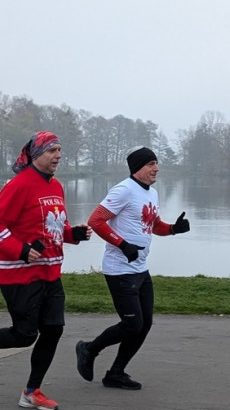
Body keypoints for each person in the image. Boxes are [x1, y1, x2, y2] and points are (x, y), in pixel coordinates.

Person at [0, 131, 91, 410]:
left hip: (51, 274)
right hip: (20, 275)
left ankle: (32, 391)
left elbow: (51, 228)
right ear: (36, 154)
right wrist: (19, 249)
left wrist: (73, 233)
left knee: (53, 329)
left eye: (60, 150)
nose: (58, 156)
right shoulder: (19, 185)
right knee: (26, 334)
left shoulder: (56, 186)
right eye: (52, 150)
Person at [75, 146, 190, 390]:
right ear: (137, 168)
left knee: (144, 323)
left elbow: (153, 224)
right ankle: (88, 349)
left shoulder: (152, 194)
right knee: (132, 324)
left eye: (156, 163)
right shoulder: (124, 190)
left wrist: (172, 229)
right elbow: (96, 220)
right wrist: (122, 244)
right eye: (150, 164)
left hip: (140, 268)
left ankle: (116, 373)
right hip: (119, 269)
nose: (156, 168)